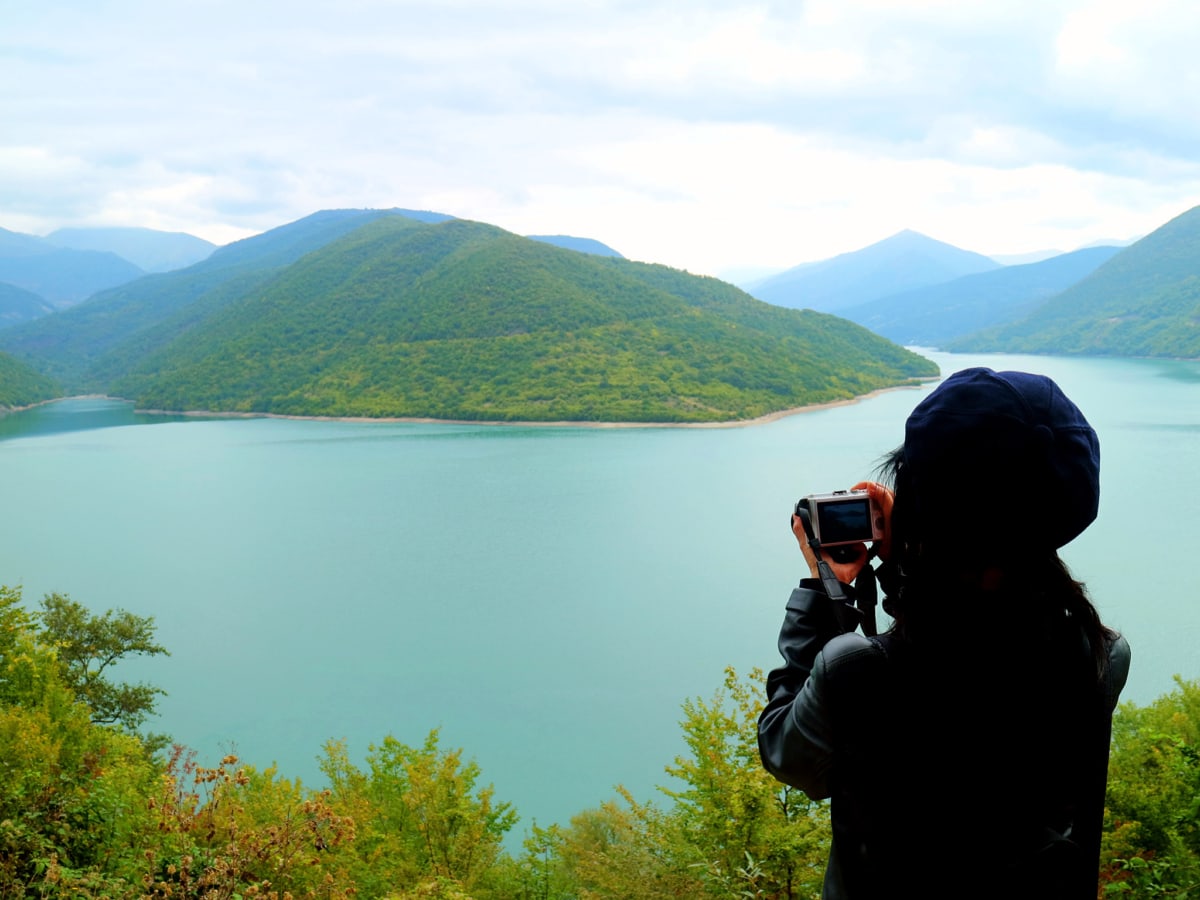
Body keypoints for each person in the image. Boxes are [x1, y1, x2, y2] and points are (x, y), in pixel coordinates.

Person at [757, 367, 1131, 900]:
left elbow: (786, 752)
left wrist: (824, 591)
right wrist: (907, 554)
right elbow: (981, 633)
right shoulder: (1099, 656)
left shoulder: (857, 671)